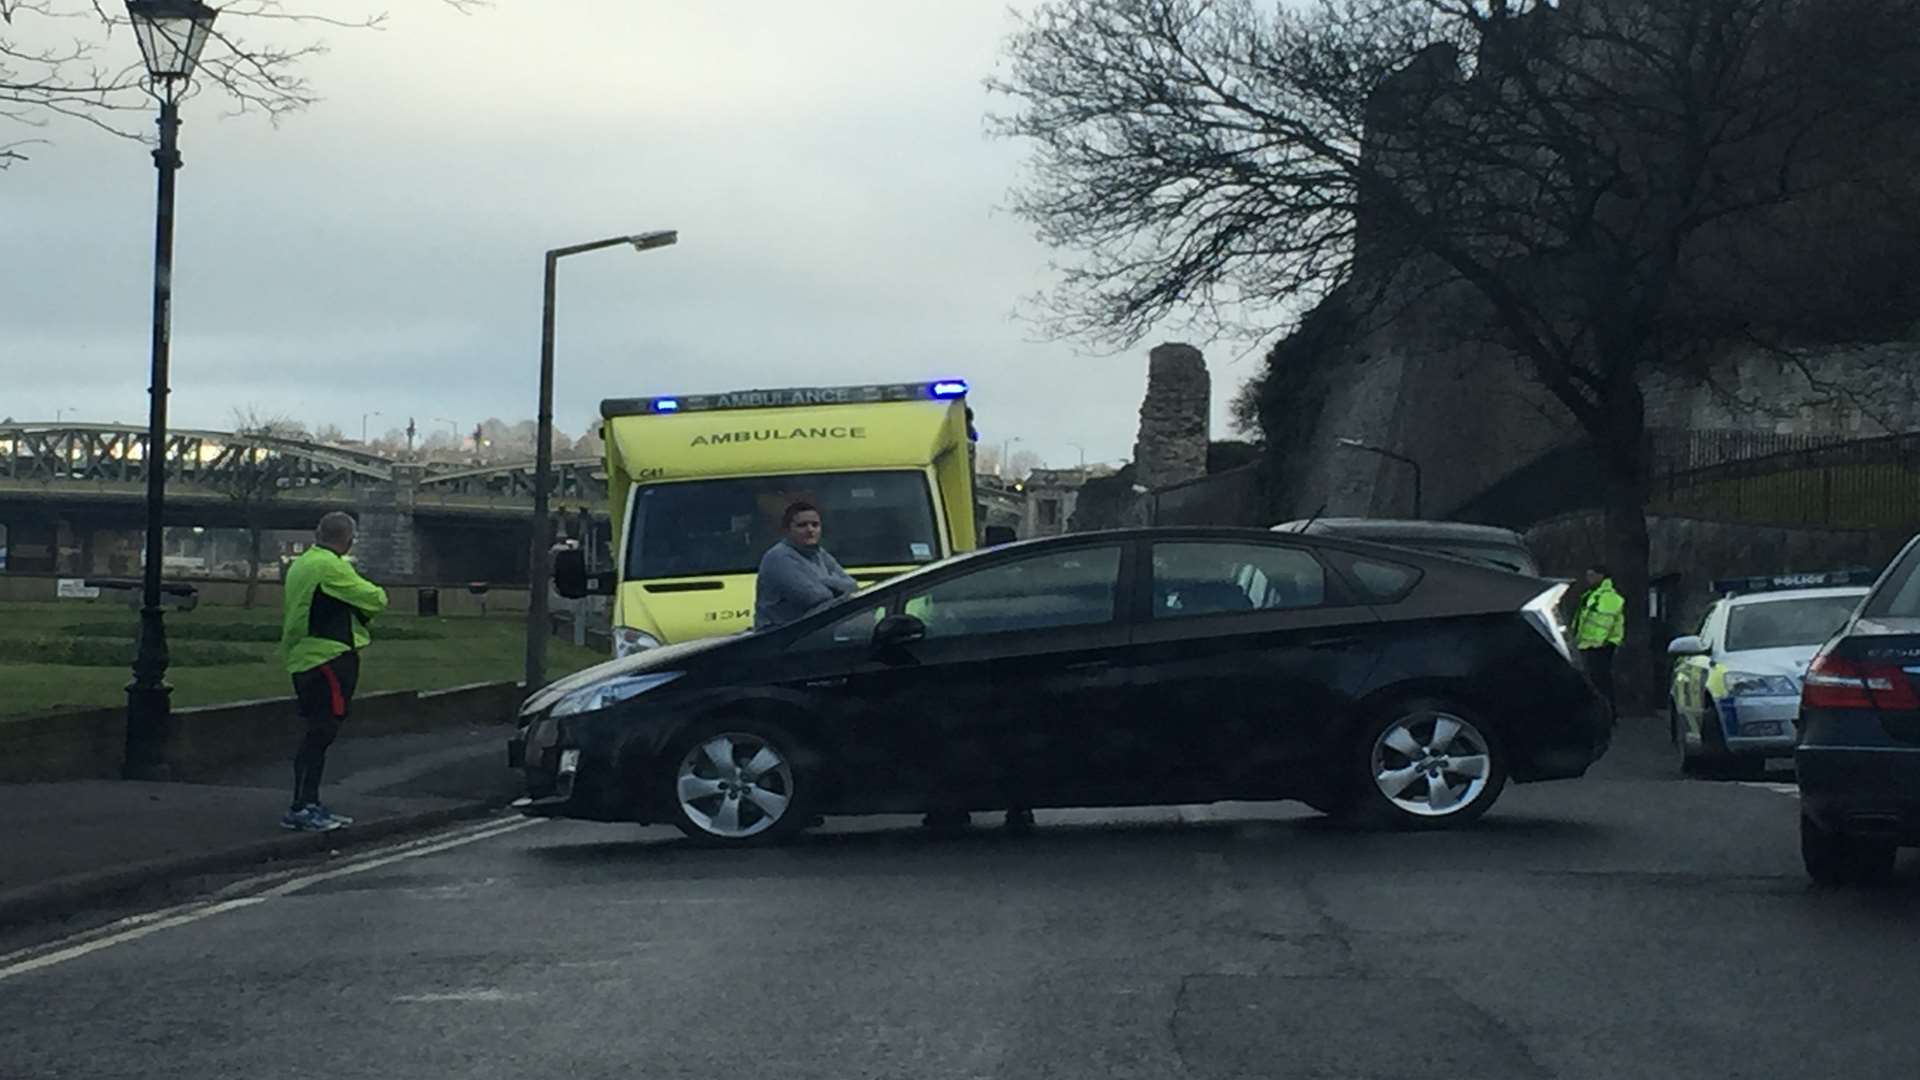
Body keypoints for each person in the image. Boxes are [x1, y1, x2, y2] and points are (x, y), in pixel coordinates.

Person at [278, 512, 389, 832]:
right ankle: (302, 806)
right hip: (328, 656)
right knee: (321, 732)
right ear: (349, 539)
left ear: (317, 532)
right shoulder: (332, 567)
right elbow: (376, 598)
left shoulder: (303, 563)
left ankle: (308, 802)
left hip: (304, 655)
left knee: (317, 731)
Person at [753, 501, 859, 631]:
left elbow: (852, 586)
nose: (810, 530)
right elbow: (815, 597)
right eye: (802, 525)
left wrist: (823, 580)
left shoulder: (819, 553)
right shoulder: (779, 557)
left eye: (815, 525)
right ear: (787, 529)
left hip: (809, 633)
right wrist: (836, 586)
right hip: (779, 637)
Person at [1575, 563, 1626, 713]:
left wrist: (1597, 643)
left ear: (1601, 576)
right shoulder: (1593, 595)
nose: (1588, 579)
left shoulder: (1608, 597)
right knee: (1598, 680)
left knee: (1601, 681)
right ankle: (1603, 711)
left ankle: (1607, 712)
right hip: (1591, 644)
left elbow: (1604, 622)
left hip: (1601, 645)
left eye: (1591, 575)